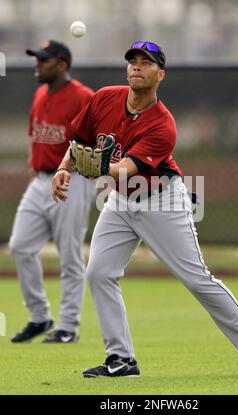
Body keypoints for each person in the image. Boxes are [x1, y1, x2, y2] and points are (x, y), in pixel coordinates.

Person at [52, 41, 238, 375]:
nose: (136, 66)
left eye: (146, 62)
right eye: (132, 60)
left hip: (161, 200)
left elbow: (126, 169)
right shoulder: (104, 97)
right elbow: (78, 143)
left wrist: (98, 168)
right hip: (119, 200)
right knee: (99, 272)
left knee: (196, 279)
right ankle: (121, 359)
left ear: (160, 74)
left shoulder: (162, 124)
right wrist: (64, 167)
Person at [9, 40, 94, 343]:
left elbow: (100, 138)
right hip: (41, 181)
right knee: (19, 246)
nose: (37, 64)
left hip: (74, 180)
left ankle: (68, 326)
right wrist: (35, 166)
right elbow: (37, 137)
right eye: (37, 59)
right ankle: (40, 316)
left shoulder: (83, 97)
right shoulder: (40, 93)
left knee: (69, 255)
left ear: (61, 64)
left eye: (44, 60)